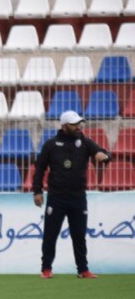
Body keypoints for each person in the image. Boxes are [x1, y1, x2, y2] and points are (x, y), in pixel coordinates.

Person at [32, 110, 111, 279]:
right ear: (64, 126)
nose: (78, 127)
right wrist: (37, 191)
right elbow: (39, 169)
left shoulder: (84, 142)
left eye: (79, 123)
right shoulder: (51, 145)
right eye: (74, 124)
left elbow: (102, 153)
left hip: (78, 197)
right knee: (50, 234)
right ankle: (46, 269)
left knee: (79, 235)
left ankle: (83, 269)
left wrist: (103, 157)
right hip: (56, 197)